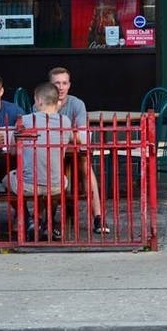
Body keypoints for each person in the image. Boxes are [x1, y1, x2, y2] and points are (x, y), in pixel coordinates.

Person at [6, 82, 75, 240]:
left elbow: (12, 151)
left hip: (28, 187)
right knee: (61, 178)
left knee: (6, 180)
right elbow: (72, 139)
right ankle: (48, 222)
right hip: (56, 186)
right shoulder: (65, 121)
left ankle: (28, 219)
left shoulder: (23, 120)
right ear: (57, 101)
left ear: (38, 101)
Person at [49, 66, 111, 234]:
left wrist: (63, 134)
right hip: (51, 153)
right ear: (50, 85)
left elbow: (81, 136)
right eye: (56, 83)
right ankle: (46, 220)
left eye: (64, 83)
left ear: (69, 85)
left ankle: (98, 218)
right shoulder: (41, 102)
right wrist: (69, 134)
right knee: (47, 169)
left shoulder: (77, 104)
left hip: (75, 151)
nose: (60, 87)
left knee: (85, 165)